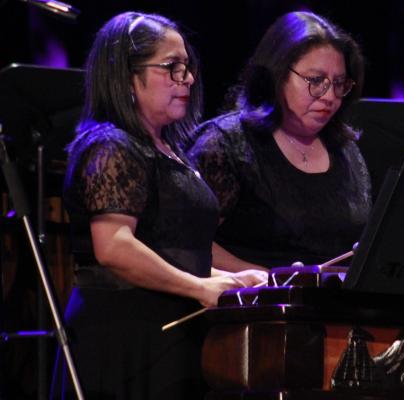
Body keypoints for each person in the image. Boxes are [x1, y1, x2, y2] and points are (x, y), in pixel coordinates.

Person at [56, 12, 268, 398]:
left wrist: (232, 280)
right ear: (126, 75)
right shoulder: (110, 146)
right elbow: (114, 246)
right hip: (126, 335)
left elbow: (170, 249)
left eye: (187, 67)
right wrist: (200, 286)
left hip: (171, 333)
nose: (187, 79)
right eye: (172, 67)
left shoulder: (169, 150)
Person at [188, 11, 371, 268]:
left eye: (339, 83)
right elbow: (186, 240)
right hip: (254, 292)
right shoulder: (224, 145)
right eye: (316, 80)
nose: (330, 96)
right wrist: (266, 277)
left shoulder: (345, 149)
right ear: (277, 75)